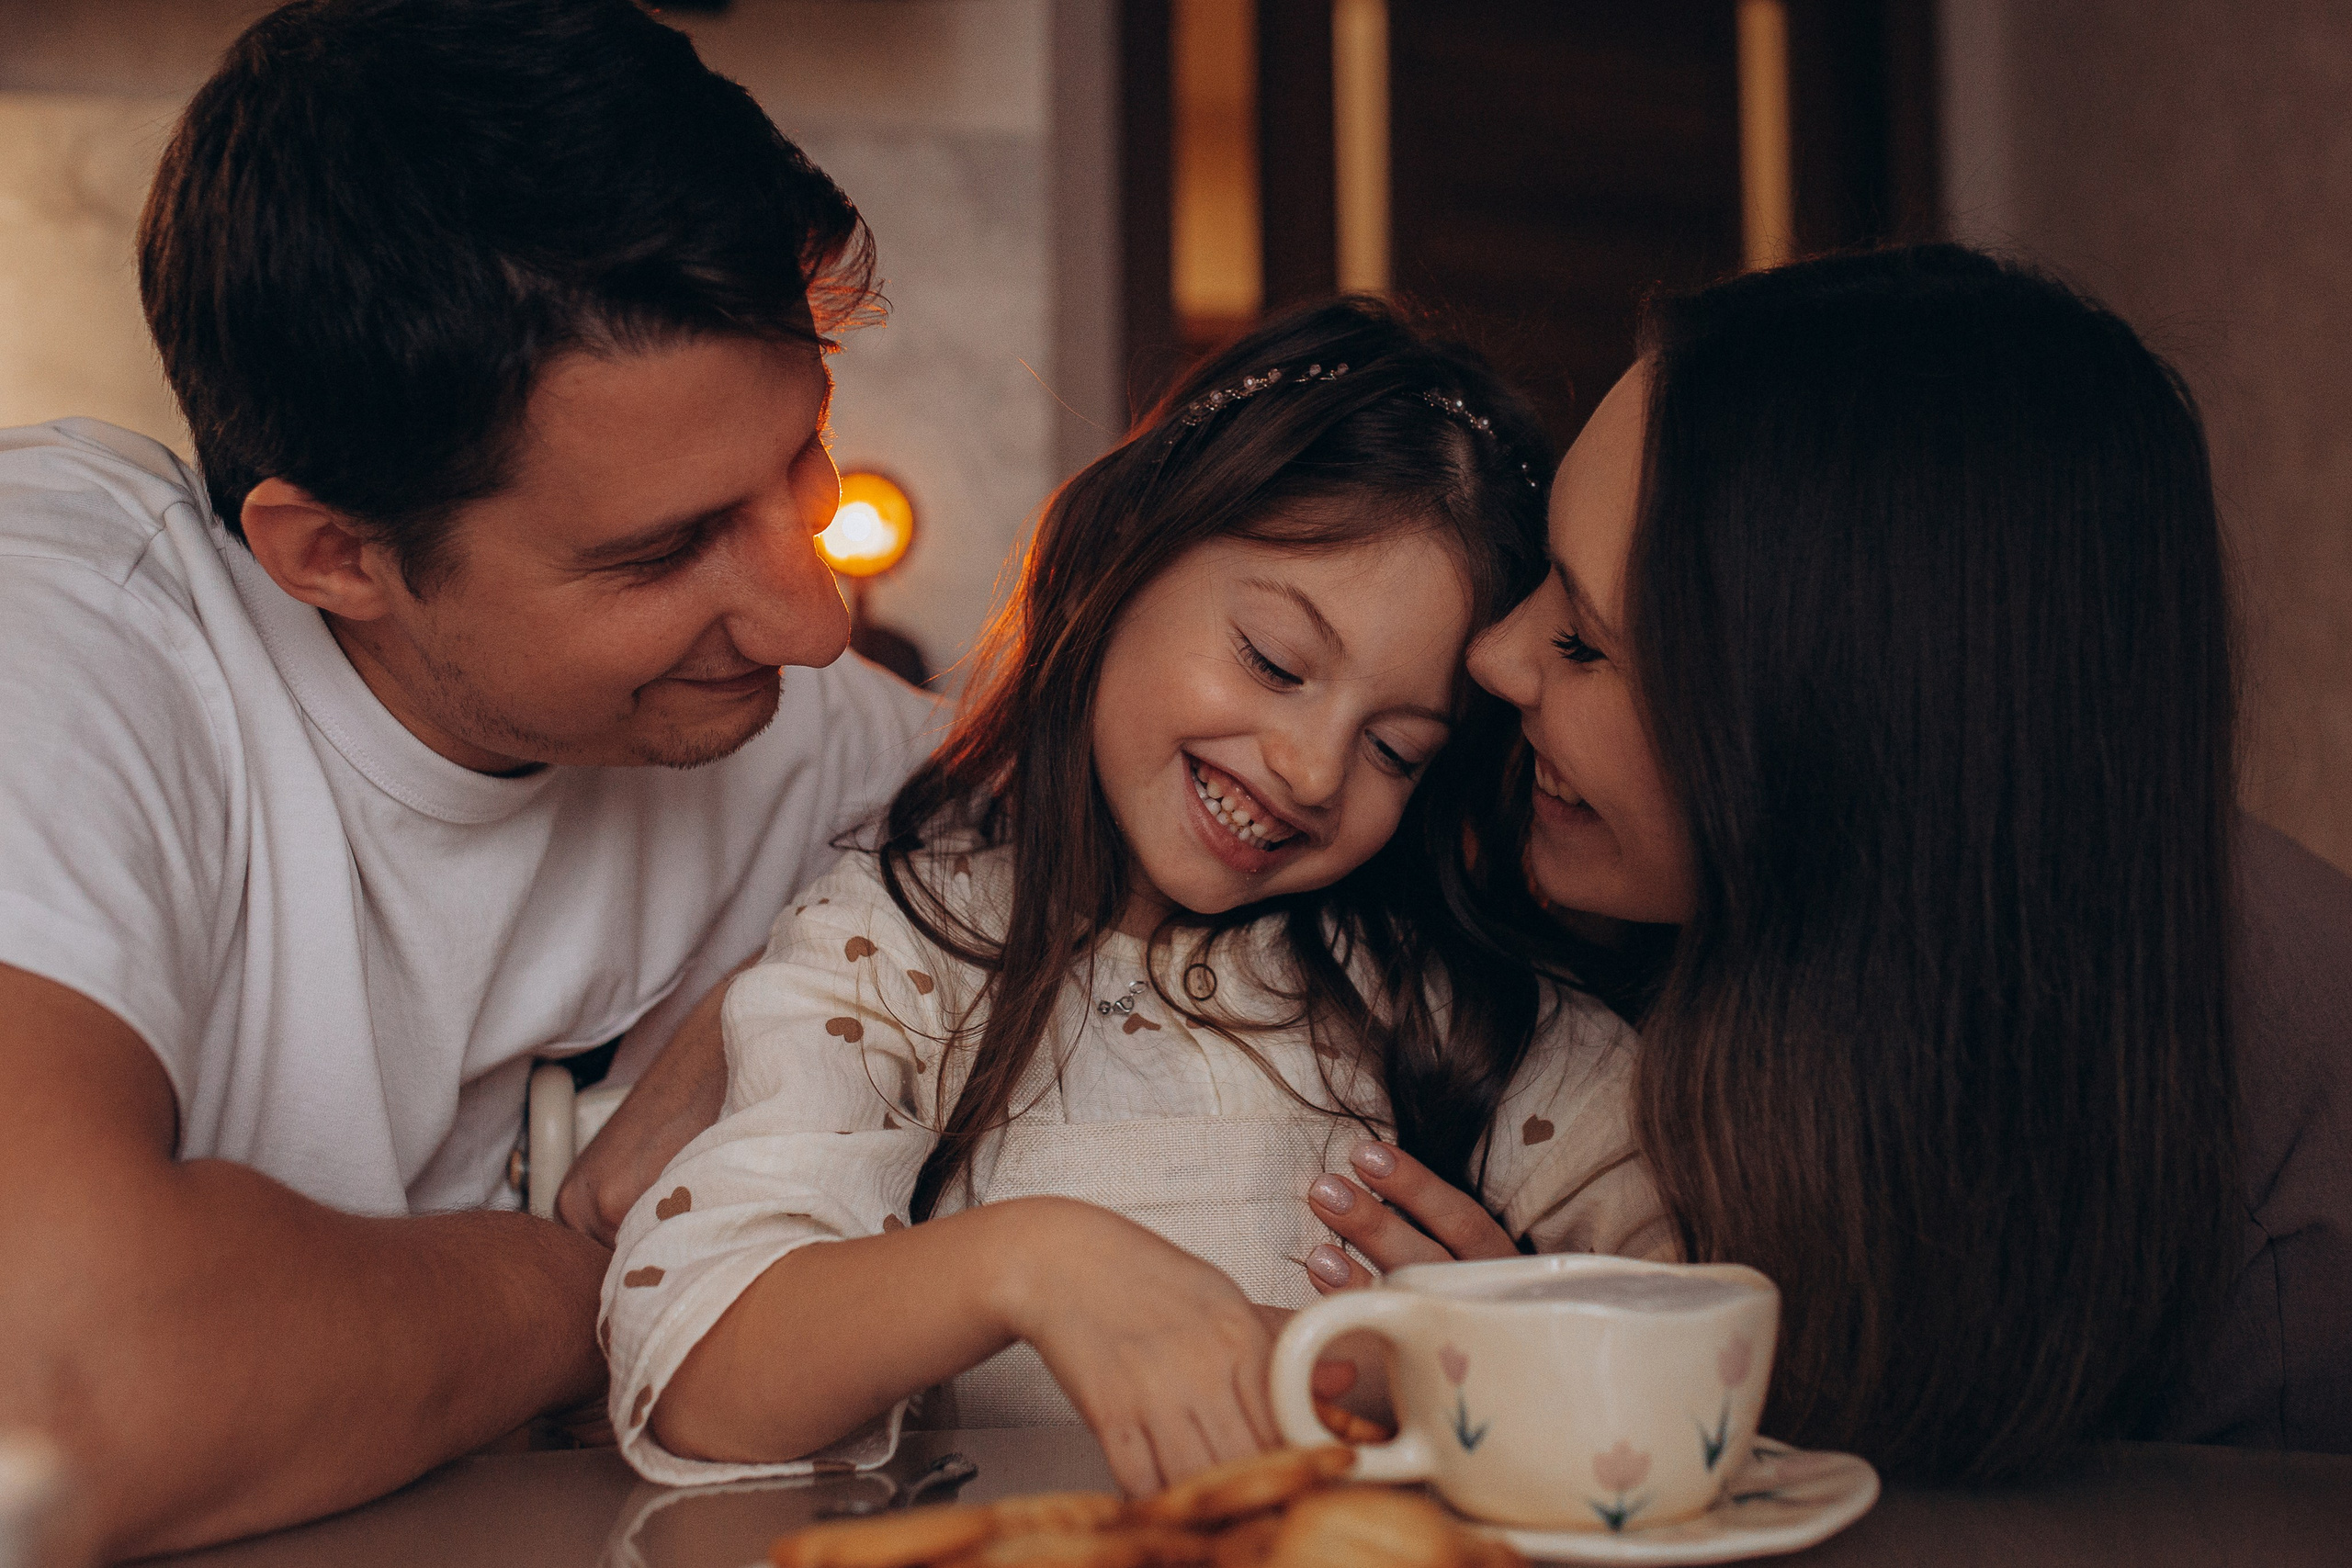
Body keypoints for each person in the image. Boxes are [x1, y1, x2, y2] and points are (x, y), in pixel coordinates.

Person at [0, 1, 937, 1556]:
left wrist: (861, 946)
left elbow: (1043, 790)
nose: (809, 616)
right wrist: (632, 1285)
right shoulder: (65, 620)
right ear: (336, 555)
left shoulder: (771, 717)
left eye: (801, 465)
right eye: (662, 549)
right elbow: (56, 1393)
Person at [1305, 244, 2352, 1478]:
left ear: (1844, 742)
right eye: (1541, 578)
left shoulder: (2279, 1088)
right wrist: (1552, 1377)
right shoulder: (1515, 878)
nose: (1495, 657)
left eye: (1586, 644)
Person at [600, 299, 1668, 1495]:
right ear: (1115, 563)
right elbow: (689, 1367)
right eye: (1273, 660)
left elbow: (1699, 1337)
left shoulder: (1452, 1008)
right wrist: (1028, 1263)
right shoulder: (898, 949)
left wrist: (1482, 1350)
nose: (1314, 769)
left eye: (1397, 750)